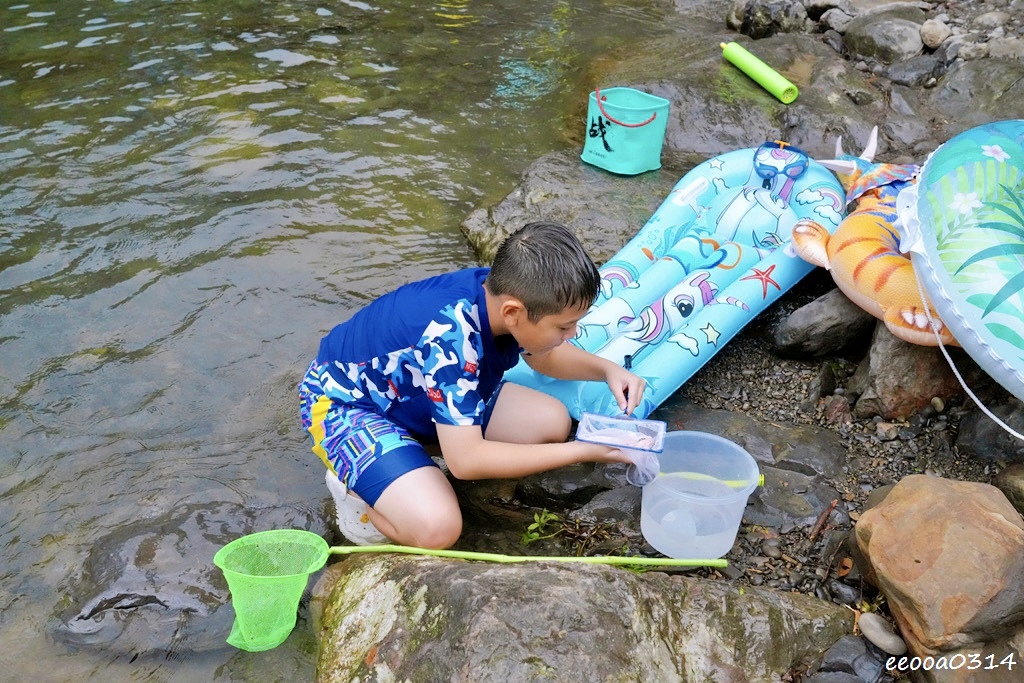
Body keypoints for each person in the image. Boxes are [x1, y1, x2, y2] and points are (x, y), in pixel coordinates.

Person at [298, 221, 646, 549]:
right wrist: (584, 449)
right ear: (514, 313)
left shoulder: (499, 293)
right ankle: (359, 493)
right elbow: (465, 462)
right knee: (438, 527)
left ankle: (411, 458)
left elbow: (544, 355)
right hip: (343, 405)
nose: (572, 334)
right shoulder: (450, 338)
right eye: (564, 327)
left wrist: (608, 370)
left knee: (550, 422)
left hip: (407, 391)